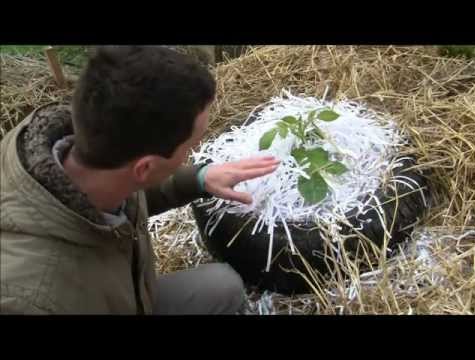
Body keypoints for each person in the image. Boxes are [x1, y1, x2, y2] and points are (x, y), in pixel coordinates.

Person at [0, 46, 279, 314]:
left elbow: (132, 189)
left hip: (126, 298)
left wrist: (199, 178)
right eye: (191, 146)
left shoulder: (88, 148)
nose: (192, 153)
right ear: (145, 168)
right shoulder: (33, 299)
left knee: (222, 285)